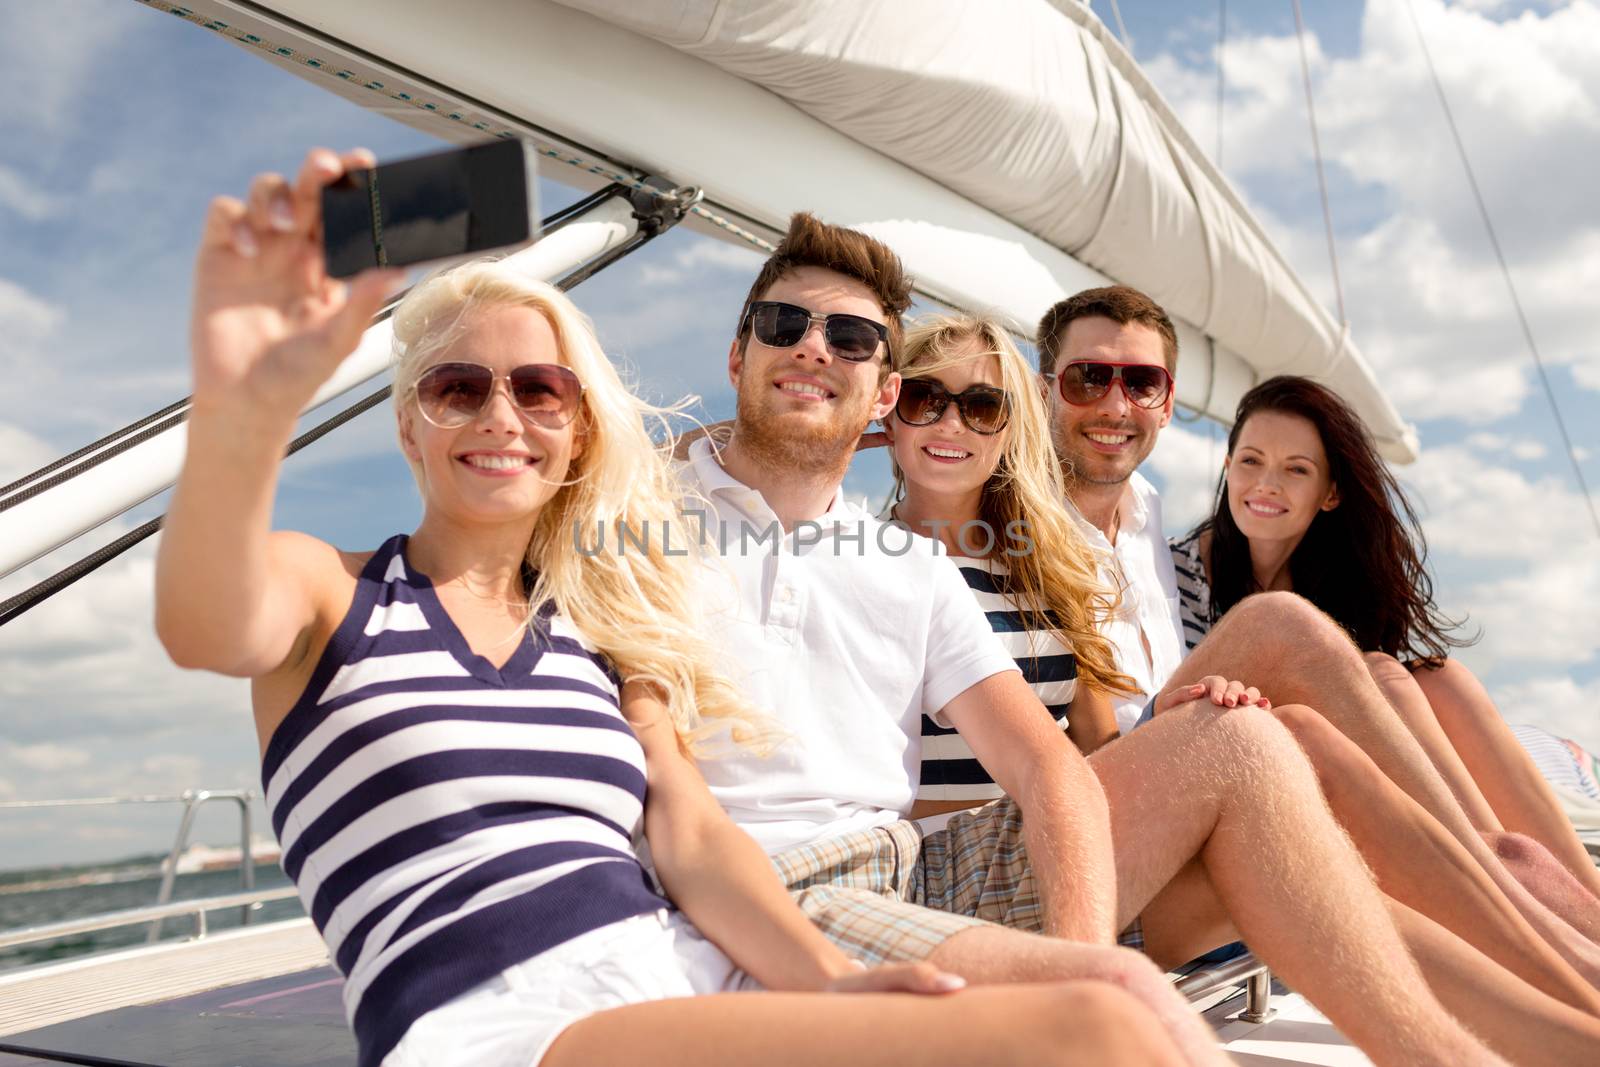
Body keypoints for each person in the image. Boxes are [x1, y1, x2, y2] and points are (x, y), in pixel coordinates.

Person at [152, 148, 1210, 1067]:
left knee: (1131, 1004)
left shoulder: (598, 624)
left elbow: (694, 834)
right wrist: (244, 408)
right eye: (455, 387)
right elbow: (205, 622)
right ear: (408, 424)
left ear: (575, 432)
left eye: (540, 389)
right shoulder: (325, 590)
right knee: (1094, 1031)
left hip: (688, 968)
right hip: (503, 1025)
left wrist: (828, 983)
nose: (501, 413)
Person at [679, 213, 1513, 1066]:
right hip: (797, 880)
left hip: (939, 863)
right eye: (787, 328)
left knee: (1252, 737)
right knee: (1278, 662)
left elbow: (1063, 763)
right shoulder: (646, 515)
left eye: (980, 404)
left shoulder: (949, 571)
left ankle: (1529, 998)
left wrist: (1080, 951)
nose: (816, 351)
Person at [878, 309, 1600, 1062]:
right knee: (1276, 644)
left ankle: (1580, 1022)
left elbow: (1088, 741)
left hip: (1096, 816)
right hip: (978, 858)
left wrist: (1180, 730)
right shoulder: (873, 559)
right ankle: (1515, 892)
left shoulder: (1047, 559)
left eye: (982, 405)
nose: (952, 421)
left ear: (1009, 420)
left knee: (1311, 780)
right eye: (924, 398)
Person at [1175, 374, 1600, 909]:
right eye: (1251, 461)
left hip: (1329, 767)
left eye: (1297, 469)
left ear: (1331, 493)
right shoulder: (1179, 572)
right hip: (1238, 765)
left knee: (1439, 678)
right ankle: (1510, 892)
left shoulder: (1330, 584)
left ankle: (1578, 894)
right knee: (1385, 678)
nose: (1266, 484)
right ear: (1227, 467)